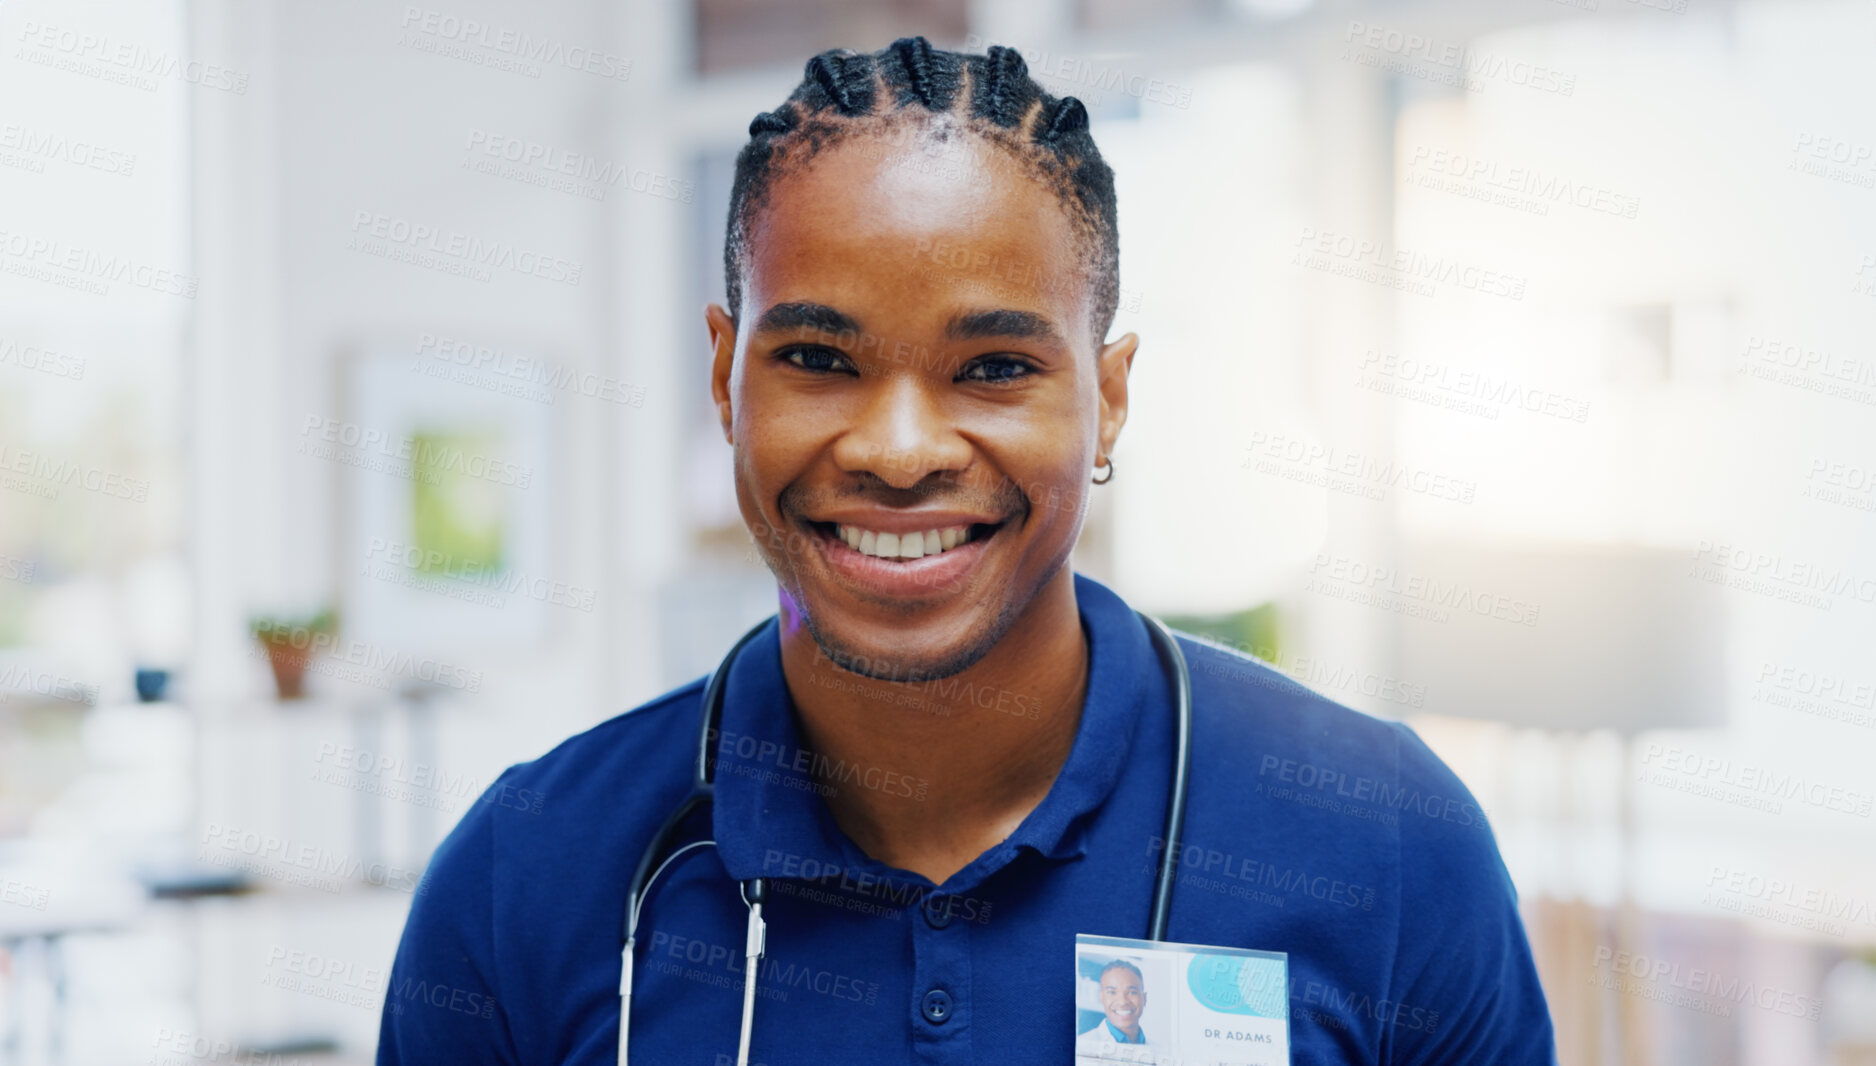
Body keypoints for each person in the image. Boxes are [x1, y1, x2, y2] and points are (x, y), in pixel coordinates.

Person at [377, 37, 1558, 1065]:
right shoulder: (524, 874)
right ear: (723, 379)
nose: (897, 451)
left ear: (1108, 396)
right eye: (819, 361)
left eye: (994, 368)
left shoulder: (1385, 841)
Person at [1075, 959, 1154, 1063]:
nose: (1122, 1001)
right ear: (1101, 997)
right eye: (1112, 992)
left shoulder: (1161, 1050)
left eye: (1132, 992)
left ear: (1144, 998)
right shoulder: (1082, 1046)